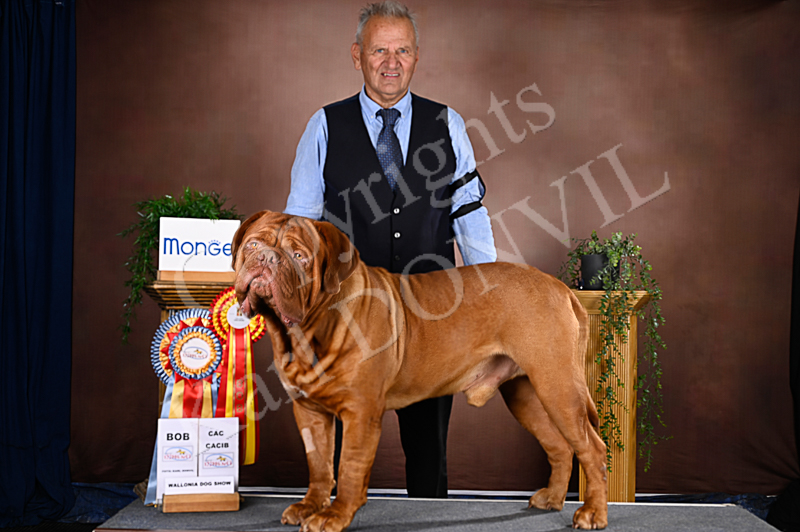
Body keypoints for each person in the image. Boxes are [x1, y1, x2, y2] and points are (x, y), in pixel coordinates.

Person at [284, 0, 497, 499]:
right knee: (342, 440)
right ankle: (333, 513)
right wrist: (296, 309)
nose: (391, 62)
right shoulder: (324, 125)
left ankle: (430, 521)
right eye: (379, 50)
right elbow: (300, 230)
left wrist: (490, 293)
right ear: (356, 55)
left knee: (429, 446)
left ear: (417, 56)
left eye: (402, 50)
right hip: (345, 318)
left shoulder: (448, 123)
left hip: (433, 316)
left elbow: (469, 211)